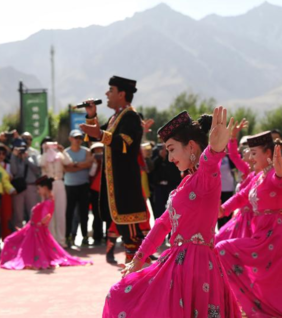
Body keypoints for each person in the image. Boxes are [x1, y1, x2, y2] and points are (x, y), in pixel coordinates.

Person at [103, 108, 241, 318]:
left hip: (196, 268)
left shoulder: (206, 179)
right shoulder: (186, 184)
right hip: (178, 264)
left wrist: (215, 150)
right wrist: (138, 259)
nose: (169, 158)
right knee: (118, 295)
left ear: (191, 147)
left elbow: (209, 163)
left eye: (172, 149)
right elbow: (163, 223)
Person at [217, 131, 282, 317]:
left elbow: (280, 180)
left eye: (254, 153)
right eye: (249, 152)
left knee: (224, 248)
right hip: (261, 234)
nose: (250, 157)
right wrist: (221, 210)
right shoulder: (257, 177)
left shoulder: (275, 174)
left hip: (278, 235)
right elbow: (241, 197)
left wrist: (281, 171)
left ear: (268, 154)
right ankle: (262, 307)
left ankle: (275, 309)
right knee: (269, 280)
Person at [80, 76, 147, 265]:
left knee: (133, 239)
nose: (106, 94)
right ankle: (133, 279)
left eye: (110, 90)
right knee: (127, 238)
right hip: (116, 189)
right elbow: (93, 137)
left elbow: (125, 143)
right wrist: (91, 115)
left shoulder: (131, 117)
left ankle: (138, 279)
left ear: (121, 94)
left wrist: (100, 134)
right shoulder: (114, 118)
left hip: (126, 187)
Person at [0, 175, 89, 270]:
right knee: (11, 240)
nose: (37, 191)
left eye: (38, 189)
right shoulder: (47, 200)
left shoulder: (48, 202)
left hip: (36, 232)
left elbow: (47, 214)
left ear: (45, 188)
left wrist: (43, 220)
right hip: (32, 230)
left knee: (10, 241)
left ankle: (31, 261)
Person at [215, 119, 257, 244]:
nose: (244, 150)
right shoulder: (246, 169)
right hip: (241, 216)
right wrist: (233, 137)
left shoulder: (262, 173)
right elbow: (233, 155)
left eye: (249, 148)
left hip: (254, 220)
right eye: (243, 147)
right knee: (220, 241)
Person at [64, 129, 94, 248]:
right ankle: (68, 236)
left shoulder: (86, 151)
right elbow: (66, 168)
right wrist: (81, 165)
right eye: (75, 138)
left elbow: (88, 164)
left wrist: (74, 165)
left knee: (84, 213)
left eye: (80, 138)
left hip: (83, 185)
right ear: (70, 139)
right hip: (69, 186)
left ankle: (85, 237)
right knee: (69, 213)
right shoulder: (65, 152)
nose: (78, 140)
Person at [40, 138, 72, 247]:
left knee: (60, 212)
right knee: (49, 213)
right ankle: (51, 240)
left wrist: (62, 151)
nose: (51, 147)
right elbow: (41, 163)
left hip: (59, 182)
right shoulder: (44, 156)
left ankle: (61, 241)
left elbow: (68, 162)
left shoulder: (60, 154)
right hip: (48, 185)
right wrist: (45, 150)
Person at [10, 135, 42, 230]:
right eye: (19, 147)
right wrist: (13, 156)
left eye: (23, 147)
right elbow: (14, 171)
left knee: (33, 214)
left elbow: (37, 171)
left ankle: (33, 237)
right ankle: (20, 238)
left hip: (31, 186)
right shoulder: (14, 157)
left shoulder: (33, 155)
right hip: (19, 188)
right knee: (18, 215)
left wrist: (26, 159)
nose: (21, 149)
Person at [88, 142, 105, 244]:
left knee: (107, 214)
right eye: (96, 150)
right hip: (95, 190)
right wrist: (95, 162)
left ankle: (108, 236)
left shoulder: (109, 160)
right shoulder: (92, 162)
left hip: (107, 190)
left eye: (101, 150)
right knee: (96, 214)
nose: (99, 152)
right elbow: (91, 174)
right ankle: (97, 236)